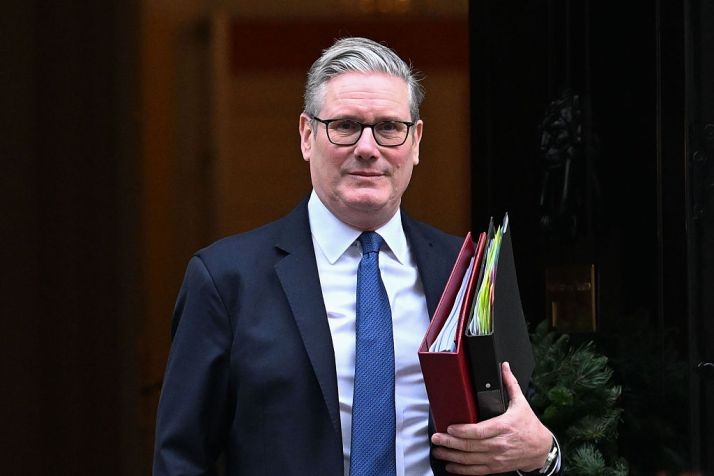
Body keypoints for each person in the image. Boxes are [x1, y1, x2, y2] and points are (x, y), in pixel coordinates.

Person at [153, 36, 561, 476]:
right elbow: (181, 459)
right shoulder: (226, 279)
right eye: (345, 126)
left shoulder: (466, 273)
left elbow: (517, 431)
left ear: (416, 141)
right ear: (307, 136)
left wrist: (545, 456)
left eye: (389, 127)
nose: (368, 148)